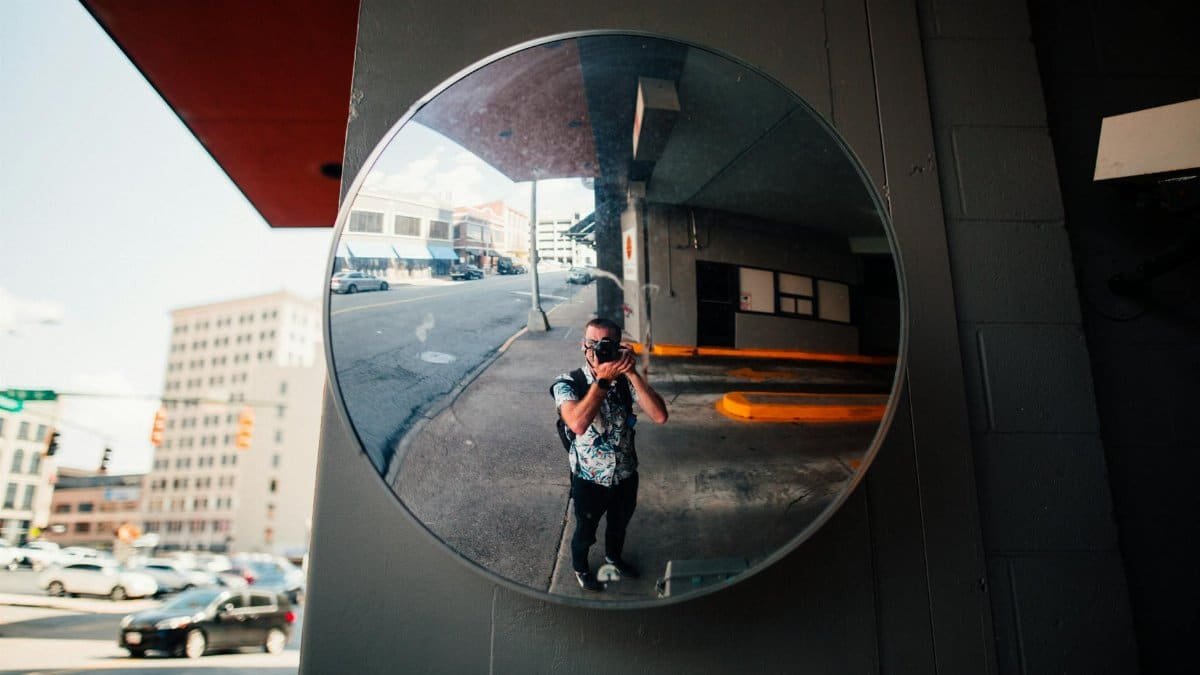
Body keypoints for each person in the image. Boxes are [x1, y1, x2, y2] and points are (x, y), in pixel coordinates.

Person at [551, 318, 668, 592]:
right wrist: (603, 380)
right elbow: (577, 424)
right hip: (589, 479)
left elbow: (660, 416)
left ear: (618, 347)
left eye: (607, 344)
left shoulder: (626, 380)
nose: (598, 350)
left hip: (625, 474)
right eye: (592, 344)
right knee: (585, 532)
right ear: (583, 346)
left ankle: (613, 557)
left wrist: (633, 373)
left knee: (619, 526)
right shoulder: (569, 382)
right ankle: (581, 567)